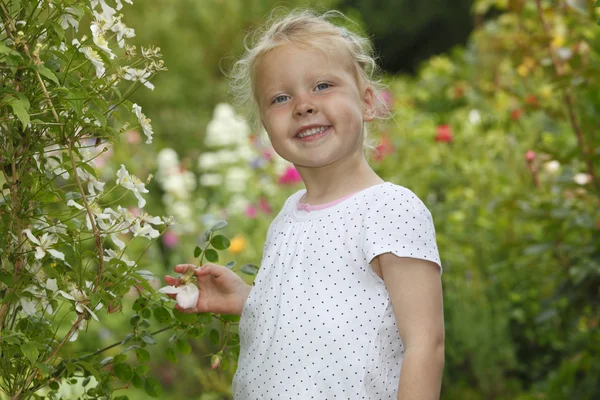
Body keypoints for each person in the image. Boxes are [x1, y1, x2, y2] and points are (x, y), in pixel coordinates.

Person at [164, 8, 444, 400]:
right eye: (281, 97)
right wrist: (250, 300)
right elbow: (317, 315)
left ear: (366, 101)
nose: (303, 105)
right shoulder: (289, 215)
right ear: (265, 125)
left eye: (323, 85)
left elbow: (425, 345)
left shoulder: (389, 208)